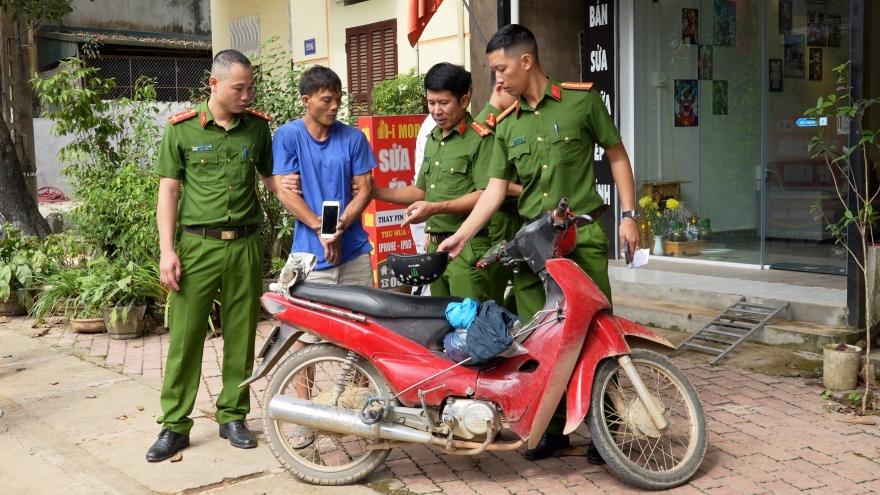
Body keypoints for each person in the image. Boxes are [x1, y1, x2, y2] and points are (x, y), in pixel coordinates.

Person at [438, 24, 640, 463]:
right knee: (539, 338)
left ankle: (606, 427)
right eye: (494, 72)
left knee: (592, 333)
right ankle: (551, 429)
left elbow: (618, 155)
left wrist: (629, 215)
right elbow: (494, 190)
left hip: (581, 237)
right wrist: (461, 235)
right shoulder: (507, 125)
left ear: (526, 61)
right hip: (532, 247)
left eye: (502, 69)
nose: (498, 80)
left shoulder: (580, 102)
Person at [149, 49, 274, 462]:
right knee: (185, 336)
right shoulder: (182, 130)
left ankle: (233, 415)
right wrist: (168, 251)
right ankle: (174, 426)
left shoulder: (256, 130)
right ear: (214, 85)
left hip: (244, 244)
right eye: (240, 88)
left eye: (250, 87)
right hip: (197, 245)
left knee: (241, 333)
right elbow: (168, 191)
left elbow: (272, 180)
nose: (247, 95)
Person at [372, 62, 504, 302]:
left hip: (467, 247)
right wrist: (376, 192)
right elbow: (419, 191)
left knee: (473, 324)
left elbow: (485, 194)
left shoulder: (480, 139)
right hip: (434, 249)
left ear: (464, 100)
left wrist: (435, 208)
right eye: (431, 103)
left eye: (443, 103)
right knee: (441, 323)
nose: (436, 111)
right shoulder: (433, 139)